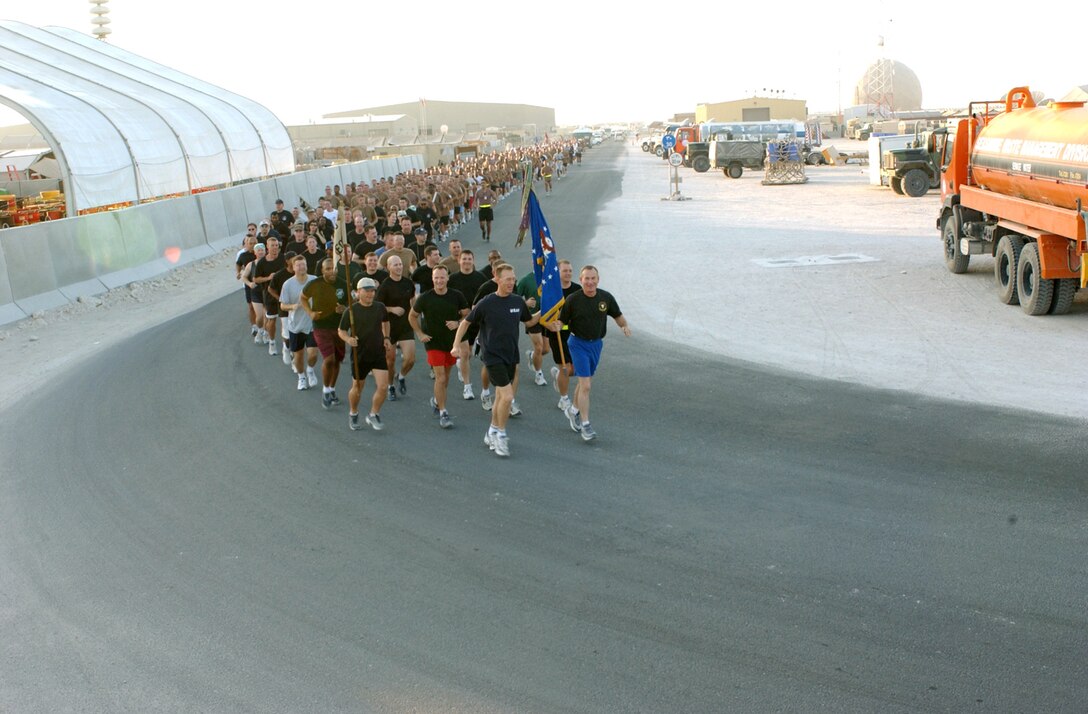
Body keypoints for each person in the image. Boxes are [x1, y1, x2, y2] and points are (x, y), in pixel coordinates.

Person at [451, 263, 539, 457]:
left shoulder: (517, 301)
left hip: (511, 354)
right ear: (497, 279)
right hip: (492, 355)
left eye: (513, 279)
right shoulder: (487, 302)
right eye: (508, 279)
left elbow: (530, 321)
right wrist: (456, 345)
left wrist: (546, 311)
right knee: (507, 397)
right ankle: (500, 435)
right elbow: (465, 323)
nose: (512, 282)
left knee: (500, 397)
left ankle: (491, 430)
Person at [555, 265, 631, 442]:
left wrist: (624, 326)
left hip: (596, 345)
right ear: (581, 280)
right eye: (586, 279)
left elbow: (617, 315)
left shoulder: (605, 298)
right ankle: (586, 424)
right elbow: (562, 321)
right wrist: (558, 325)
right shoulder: (573, 299)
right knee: (586, 385)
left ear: (598, 279)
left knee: (585, 382)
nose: (589, 282)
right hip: (577, 344)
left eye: (593, 278)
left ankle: (573, 411)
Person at [409, 264, 469, 429]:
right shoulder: (425, 297)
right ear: (432, 279)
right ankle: (443, 412)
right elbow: (412, 316)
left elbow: (468, 314)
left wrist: (458, 323)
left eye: (442, 277)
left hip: (451, 342)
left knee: (446, 378)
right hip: (432, 342)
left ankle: (437, 400)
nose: (439, 280)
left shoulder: (456, 296)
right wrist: (420, 334)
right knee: (440, 377)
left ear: (447, 278)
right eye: (436, 278)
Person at [338, 277, 391, 431]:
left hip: (378, 352)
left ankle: (373, 414)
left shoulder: (380, 307)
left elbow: (386, 322)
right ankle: (353, 412)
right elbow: (341, 330)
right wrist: (348, 339)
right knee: (357, 388)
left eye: (372, 291)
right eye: (366, 291)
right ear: (358, 292)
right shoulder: (351, 311)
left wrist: (386, 337)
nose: (370, 294)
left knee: (383, 386)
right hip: (360, 354)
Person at [301, 258, 347, 409]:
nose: (331, 271)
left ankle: (332, 388)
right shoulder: (315, 284)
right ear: (322, 270)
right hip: (321, 327)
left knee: (338, 360)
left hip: (339, 328)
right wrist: (310, 312)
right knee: (329, 359)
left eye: (333, 268)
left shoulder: (343, 283)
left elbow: (351, 303)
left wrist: (344, 308)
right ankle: (326, 390)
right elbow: (303, 298)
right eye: (327, 268)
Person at [446, 249, 488, 400]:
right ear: (459, 261)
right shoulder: (452, 279)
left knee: (469, 353)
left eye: (469, 259)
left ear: (473, 260)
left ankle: (461, 364)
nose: (467, 261)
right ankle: (467, 387)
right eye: (464, 259)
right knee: (464, 353)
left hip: (476, 320)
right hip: (461, 321)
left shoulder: (481, 278)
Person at [376, 255, 416, 401]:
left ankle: (401, 376)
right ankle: (390, 386)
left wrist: (415, 311)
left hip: (405, 325)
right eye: (395, 265)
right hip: (389, 326)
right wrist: (392, 309)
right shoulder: (385, 286)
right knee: (390, 360)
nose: (399, 267)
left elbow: (412, 299)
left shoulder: (408, 283)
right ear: (388, 268)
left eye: (400, 264)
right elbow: (377, 307)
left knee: (410, 359)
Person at [277, 254, 320, 391]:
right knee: (299, 355)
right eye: (299, 265)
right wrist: (292, 307)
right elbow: (283, 306)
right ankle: (301, 377)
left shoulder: (314, 280)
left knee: (313, 354)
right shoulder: (288, 284)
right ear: (293, 267)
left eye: (304, 264)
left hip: (312, 324)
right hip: (295, 326)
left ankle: (310, 370)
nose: (302, 267)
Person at [545, 259, 581, 411]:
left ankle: (559, 376)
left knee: (576, 370)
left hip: (575, 335)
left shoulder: (578, 289)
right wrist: (551, 326)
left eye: (570, 270)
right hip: (557, 335)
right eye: (565, 271)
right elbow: (544, 317)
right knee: (565, 368)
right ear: (557, 272)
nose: (568, 273)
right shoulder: (552, 291)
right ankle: (563, 399)